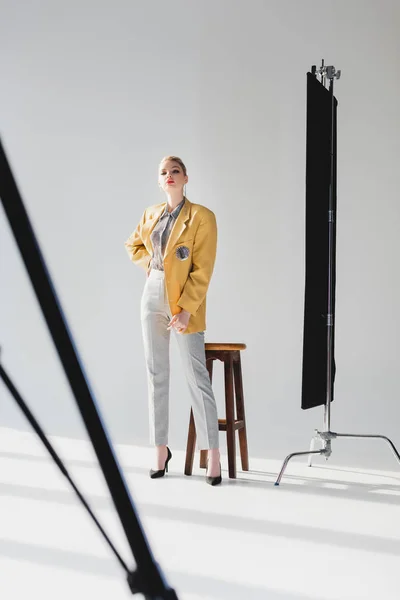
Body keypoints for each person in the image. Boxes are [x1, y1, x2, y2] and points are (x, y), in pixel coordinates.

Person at [124, 156, 221, 485]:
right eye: (164, 172)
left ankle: (213, 455)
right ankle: (160, 449)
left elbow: (202, 269)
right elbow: (133, 244)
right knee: (157, 373)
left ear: (186, 178)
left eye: (175, 171)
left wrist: (186, 309)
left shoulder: (202, 217)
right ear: (159, 180)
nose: (169, 176)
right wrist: (149, 263)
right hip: (152, 293)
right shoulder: (151, 213)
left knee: (196, 376)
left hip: (183, 300)